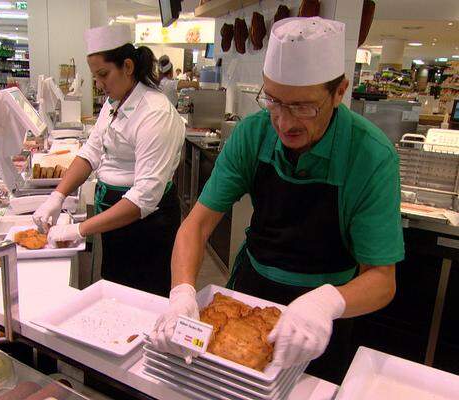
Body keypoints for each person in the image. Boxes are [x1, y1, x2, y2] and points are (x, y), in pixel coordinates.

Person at [150, 17, 404, 383]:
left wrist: (325, 303)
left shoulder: (370, 156)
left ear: (339, 92)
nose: (284, 123)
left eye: (303, 107)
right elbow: (197, 224)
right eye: (274, 101)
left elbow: (381, 279)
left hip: (327, 314)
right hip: (252, 293)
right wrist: (182, 292)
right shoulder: (253, 135)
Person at [33, 25, 185, 297]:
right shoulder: (113, 102)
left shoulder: (155, 113)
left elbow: (143, 198)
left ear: (127, 66)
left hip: (147, 225)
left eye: (103, 75)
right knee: (115, 291)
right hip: (114, 219)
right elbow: (90, 153)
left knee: (143, 298)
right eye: (95, 77)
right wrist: (56, 196)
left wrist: (81, 229)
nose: (100, 85)